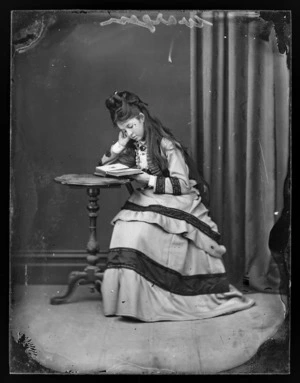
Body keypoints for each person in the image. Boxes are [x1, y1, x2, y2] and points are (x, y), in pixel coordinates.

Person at [98, 90, 255, 322]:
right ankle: (129, 302)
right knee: (124, 228)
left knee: (142, 232)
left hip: (177, 198)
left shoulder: (166, 144)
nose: (128, 133)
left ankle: (158, 297)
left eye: (131, 126)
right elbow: (103, 166)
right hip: (149, 198)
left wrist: (149, 180)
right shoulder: (133, 144)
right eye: (123, 129)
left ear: (141, 118)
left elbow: (181, 184)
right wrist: (119, 145)